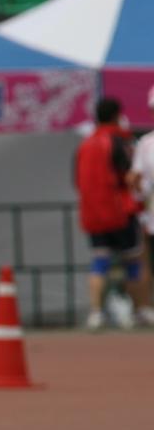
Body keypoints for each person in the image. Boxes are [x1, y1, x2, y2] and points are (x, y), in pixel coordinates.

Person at [74, 97, 154, 330]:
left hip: (93, 215)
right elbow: (130, 178)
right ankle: (140, 310)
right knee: (134, 262)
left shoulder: (84, 145)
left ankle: (96, 313)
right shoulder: (119, 142)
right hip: (120, 213)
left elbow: (77, 181)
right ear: (117, 115)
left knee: (99, 262)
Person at [128, 86, 154, 315]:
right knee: (144, 260)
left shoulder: (146, 144)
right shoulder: (146, 143)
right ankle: (145, 307)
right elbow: (135, 179)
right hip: (150, 213)